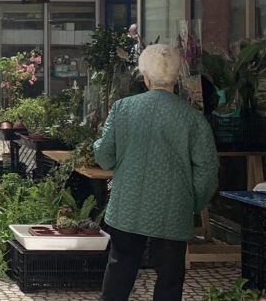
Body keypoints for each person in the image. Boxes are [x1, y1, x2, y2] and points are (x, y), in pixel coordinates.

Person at [94, 44, 219, 301]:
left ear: (146, 77)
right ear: (177, 77)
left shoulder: (123, 109)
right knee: (170, 279)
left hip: (128, 205)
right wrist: (192, 203)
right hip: (174, 208)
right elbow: (207, 170)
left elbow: (104, 156)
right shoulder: (193, 118)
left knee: (120, 269)